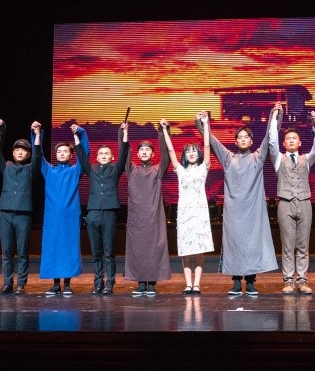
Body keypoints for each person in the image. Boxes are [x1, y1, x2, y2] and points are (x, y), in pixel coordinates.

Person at [201, 105, 279, 296]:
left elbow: (270, 137)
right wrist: (203, 123)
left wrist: (275, 115)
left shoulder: (257, 158)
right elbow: (212, 142)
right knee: (234, 244)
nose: (243, 139)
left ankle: (251, 282)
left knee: (252, 244)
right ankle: (236, 282)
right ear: (235, 141)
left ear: (251, 141)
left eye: (246, 137)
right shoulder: (228, 158)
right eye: (240, 137)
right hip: (234, 212)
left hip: (252, 211)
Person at [269, 109, 315, 294]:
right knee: (287, 245)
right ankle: (288, 281)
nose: (291, 140)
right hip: (285, 203)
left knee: (302, 244)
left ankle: (302, 280)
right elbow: (272, 142)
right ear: (284, 143)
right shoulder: (278, 159)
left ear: (300, 142)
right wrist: (274, 119)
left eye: (294, 138)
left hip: (304, 202)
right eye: (288, 138)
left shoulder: (306, 159)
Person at [163, 117, 214, 295]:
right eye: (187, 151)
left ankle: (197, 284)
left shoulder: (203, 168)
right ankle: (188, 284)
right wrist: (165, 130)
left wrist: (206, 124)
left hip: (200, 213)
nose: (191, 153)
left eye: (194, 151)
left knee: (198, 251)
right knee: (185, 251)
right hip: (184, 214)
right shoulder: (180, 170)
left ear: (198, 154)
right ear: (184, 155)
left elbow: (207, 145)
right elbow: (170, 149)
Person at [36, 121, 87, 296]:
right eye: (59, 151)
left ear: (71, 154)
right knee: (53, 248)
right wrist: (38, 134)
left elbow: (84, 154)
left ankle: (67, 284)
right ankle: (56, 284)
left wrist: (79, 134)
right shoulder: (49, 170)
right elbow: (38, 155)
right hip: (52, 217)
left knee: (69, 248)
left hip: (70, 216)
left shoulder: (75, 170)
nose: (62, 153)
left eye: (65, 151)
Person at [123, 120, 172, 296]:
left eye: (147, 150)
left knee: (153, 249)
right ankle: (140, 283)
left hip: (153, 218)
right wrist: (124, 133)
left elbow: (166, 155)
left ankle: (151, 283)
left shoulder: (157, 170)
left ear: (152, 153)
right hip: (137, 220)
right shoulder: (131, 170)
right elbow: (124, 153)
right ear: (137, 154)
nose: (144, 152)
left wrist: (163, 131)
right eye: (141, 150)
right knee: (138, 250)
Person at [79, 124, 128, 295]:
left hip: (109, 211)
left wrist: (125, 133)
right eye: (101, 154)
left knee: (108, 251)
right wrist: (77, 137)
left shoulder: (115, 169)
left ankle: (110, 283)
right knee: (96, 252)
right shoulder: (92, 169)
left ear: (111, 157)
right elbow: (81, 157)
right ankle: (98, 282)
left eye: (107, 153)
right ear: (97, 157)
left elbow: (124, 153)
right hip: (93, 212)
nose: (104, 156)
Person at [0, 120, 39, 295]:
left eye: (24, 150)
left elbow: (38, 156)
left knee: (22, 251)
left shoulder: (31, 168)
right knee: (6, 251)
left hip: (23, 214)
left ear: (28, 154)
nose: (20, 152)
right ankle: (7, 283)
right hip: (5, 213)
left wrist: (37, 134)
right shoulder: (7, 166)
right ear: (13, 152)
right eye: (17, 149)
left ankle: (21, 284)